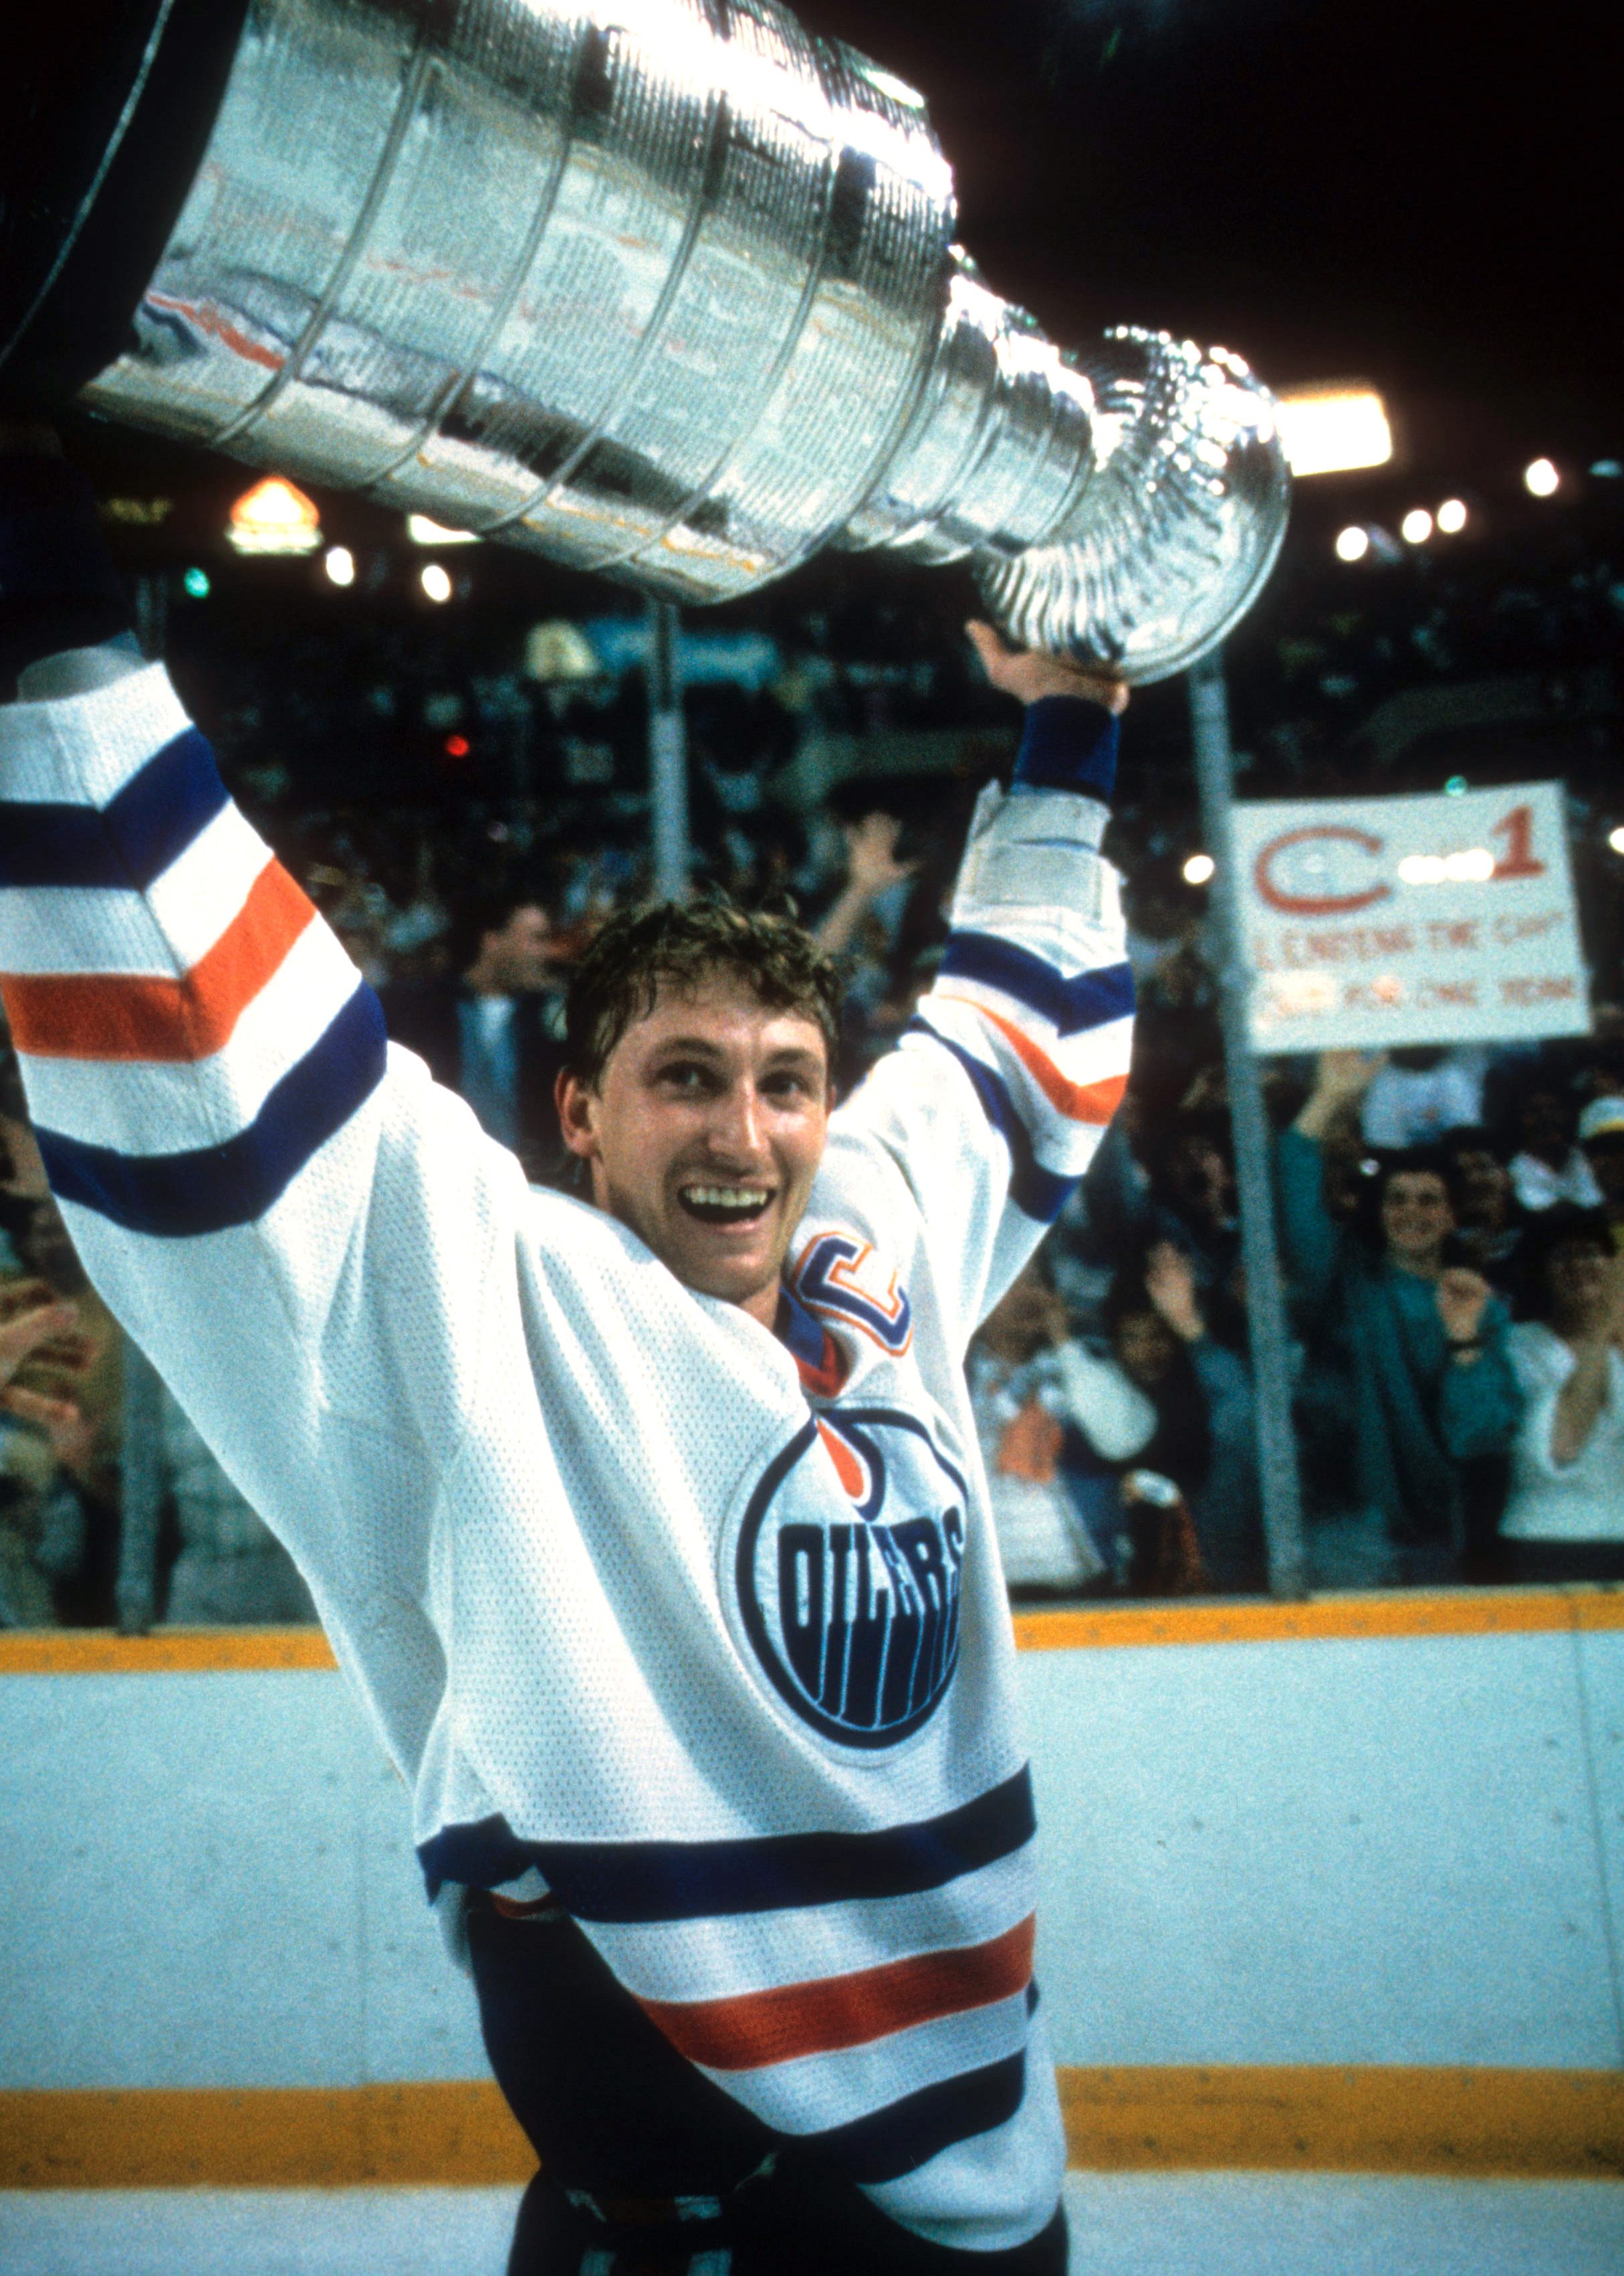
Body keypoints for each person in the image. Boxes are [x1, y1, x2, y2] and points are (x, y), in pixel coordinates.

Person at [0, 433, 1134, 2275]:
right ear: (579, 1117)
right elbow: (244, 1062)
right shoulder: (497, 1293)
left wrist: (1072, 717)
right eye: (681, 1077)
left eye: (782, 1083)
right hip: (646, 2236)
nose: (742, 1132)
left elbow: (1014, 1032)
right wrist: (58, 615)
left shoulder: (879, 1233)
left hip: (974, 2213)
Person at [1280, 1052, 1522, 1589]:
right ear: (1380, 1210)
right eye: (1397, 1199)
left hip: (1441, 1536)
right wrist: (1326, 1099)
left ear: (1451, 1215)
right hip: (1345, 1527)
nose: (1411, 1212)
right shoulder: (1346, 1278)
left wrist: (1463, 1344)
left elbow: (1478, 1438)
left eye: (1428, 1200)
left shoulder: (1479, 1305)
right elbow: (1296, 1187)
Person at [377, 889, 571, 1185]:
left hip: (530, 1182)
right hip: (440, 1178)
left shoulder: (548, 1019)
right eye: (536, 938)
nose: (544, 953)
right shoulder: (419, 1009)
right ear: (492, 940)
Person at [1500, 1207, 1624, 1582]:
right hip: (1549, 1543)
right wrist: (1601, 1325)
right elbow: (1564, 1445)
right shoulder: (1517, 1347)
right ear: (1540, 1272)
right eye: (1562, 1256)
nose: (1578, 1266)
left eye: (1590, 1253)